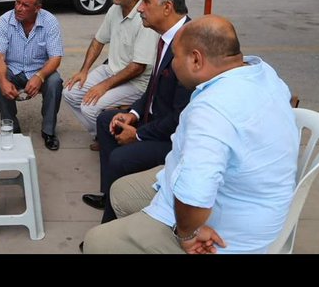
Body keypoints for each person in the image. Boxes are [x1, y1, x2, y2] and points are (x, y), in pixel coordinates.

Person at [82, 16, 299, 255]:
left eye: (175, 57)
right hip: (254, 199)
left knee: (96, 241)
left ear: (196, 59)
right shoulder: (262, 71)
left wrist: (187, 234)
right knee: (122, 191)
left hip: (227, 235)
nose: (172, 64)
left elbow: (194, 195)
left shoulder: (212, 110)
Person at [82, 0, 191, 221]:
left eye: (146, 2)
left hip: (172, 137)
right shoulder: (165, 37)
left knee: (121, 158)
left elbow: (180, 118)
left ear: (167, 8)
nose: (140, 8)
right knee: (105, 121)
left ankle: (110, 224)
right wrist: (133, 114)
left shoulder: (187, 45)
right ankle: (110, 193)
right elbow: (153, 87)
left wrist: (139, 134)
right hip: (154, 120)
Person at [62, 0, 156, 137]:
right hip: (111, 71)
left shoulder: (144, 18)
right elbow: (98, 41)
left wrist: (103, 86)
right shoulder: (115, 9)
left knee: (89, 107)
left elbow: (138, 67)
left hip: (136, 82)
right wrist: (84, 71)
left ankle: (110, 138)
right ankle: (102, 135)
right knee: (69, 92)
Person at [0, 0, 64, 150]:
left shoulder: (50, 22)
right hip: (13, 70)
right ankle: (13, 128)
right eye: (17, 2)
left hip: (39, 69)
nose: (18, 8)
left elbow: (55, 57)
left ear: (37, 8)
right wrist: (3, 80)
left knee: (55, 82)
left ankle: (49, 131)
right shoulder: (5, 20)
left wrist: (40, 76)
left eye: (25, 5)